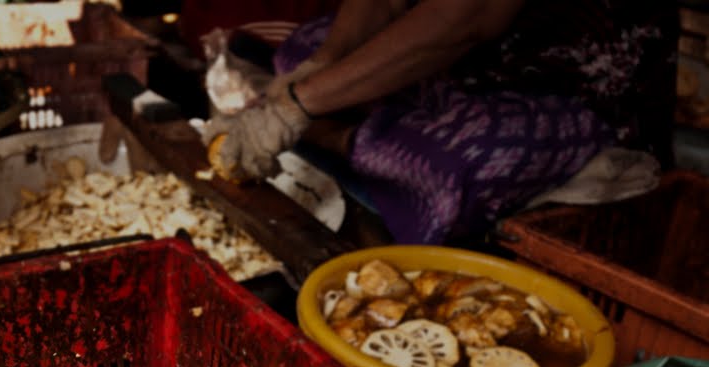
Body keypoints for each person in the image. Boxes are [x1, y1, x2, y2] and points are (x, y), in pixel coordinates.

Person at [202, 0, 677, 245]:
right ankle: (355, 138)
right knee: (297, 51)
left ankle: (354, 142)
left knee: (448, 161)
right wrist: (320, 67)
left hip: (569, 90)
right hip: (472, 67)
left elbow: (464, 16)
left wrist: (296, 108)